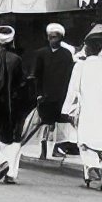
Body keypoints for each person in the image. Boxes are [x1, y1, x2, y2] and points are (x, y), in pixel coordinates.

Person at [63, 32, 102, 184]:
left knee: (84, 143)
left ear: (87, 48)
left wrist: (65, 110)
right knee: (100, 143)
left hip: (86, 111)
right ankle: (97, 168)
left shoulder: (79, 67)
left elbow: (72, 90)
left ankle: (93, 168)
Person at [0, 26, 28, 185]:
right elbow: (23, 85)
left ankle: (2, 162)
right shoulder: (18, 60)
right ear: (12, 40)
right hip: (16, 106)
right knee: (15, 140)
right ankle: (12, 174)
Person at [29, 23, 76, 159]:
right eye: (50, 37)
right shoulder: (41, 54)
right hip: (45, 95)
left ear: (60, 38)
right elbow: (36, 75)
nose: (52, 40)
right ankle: (43, 150)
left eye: (55, 37)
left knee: (60, 124)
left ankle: (57, 148)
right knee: (45, 123)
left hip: (61, 94)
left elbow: (69, 76)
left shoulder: (66, 55)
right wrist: (38, 94)